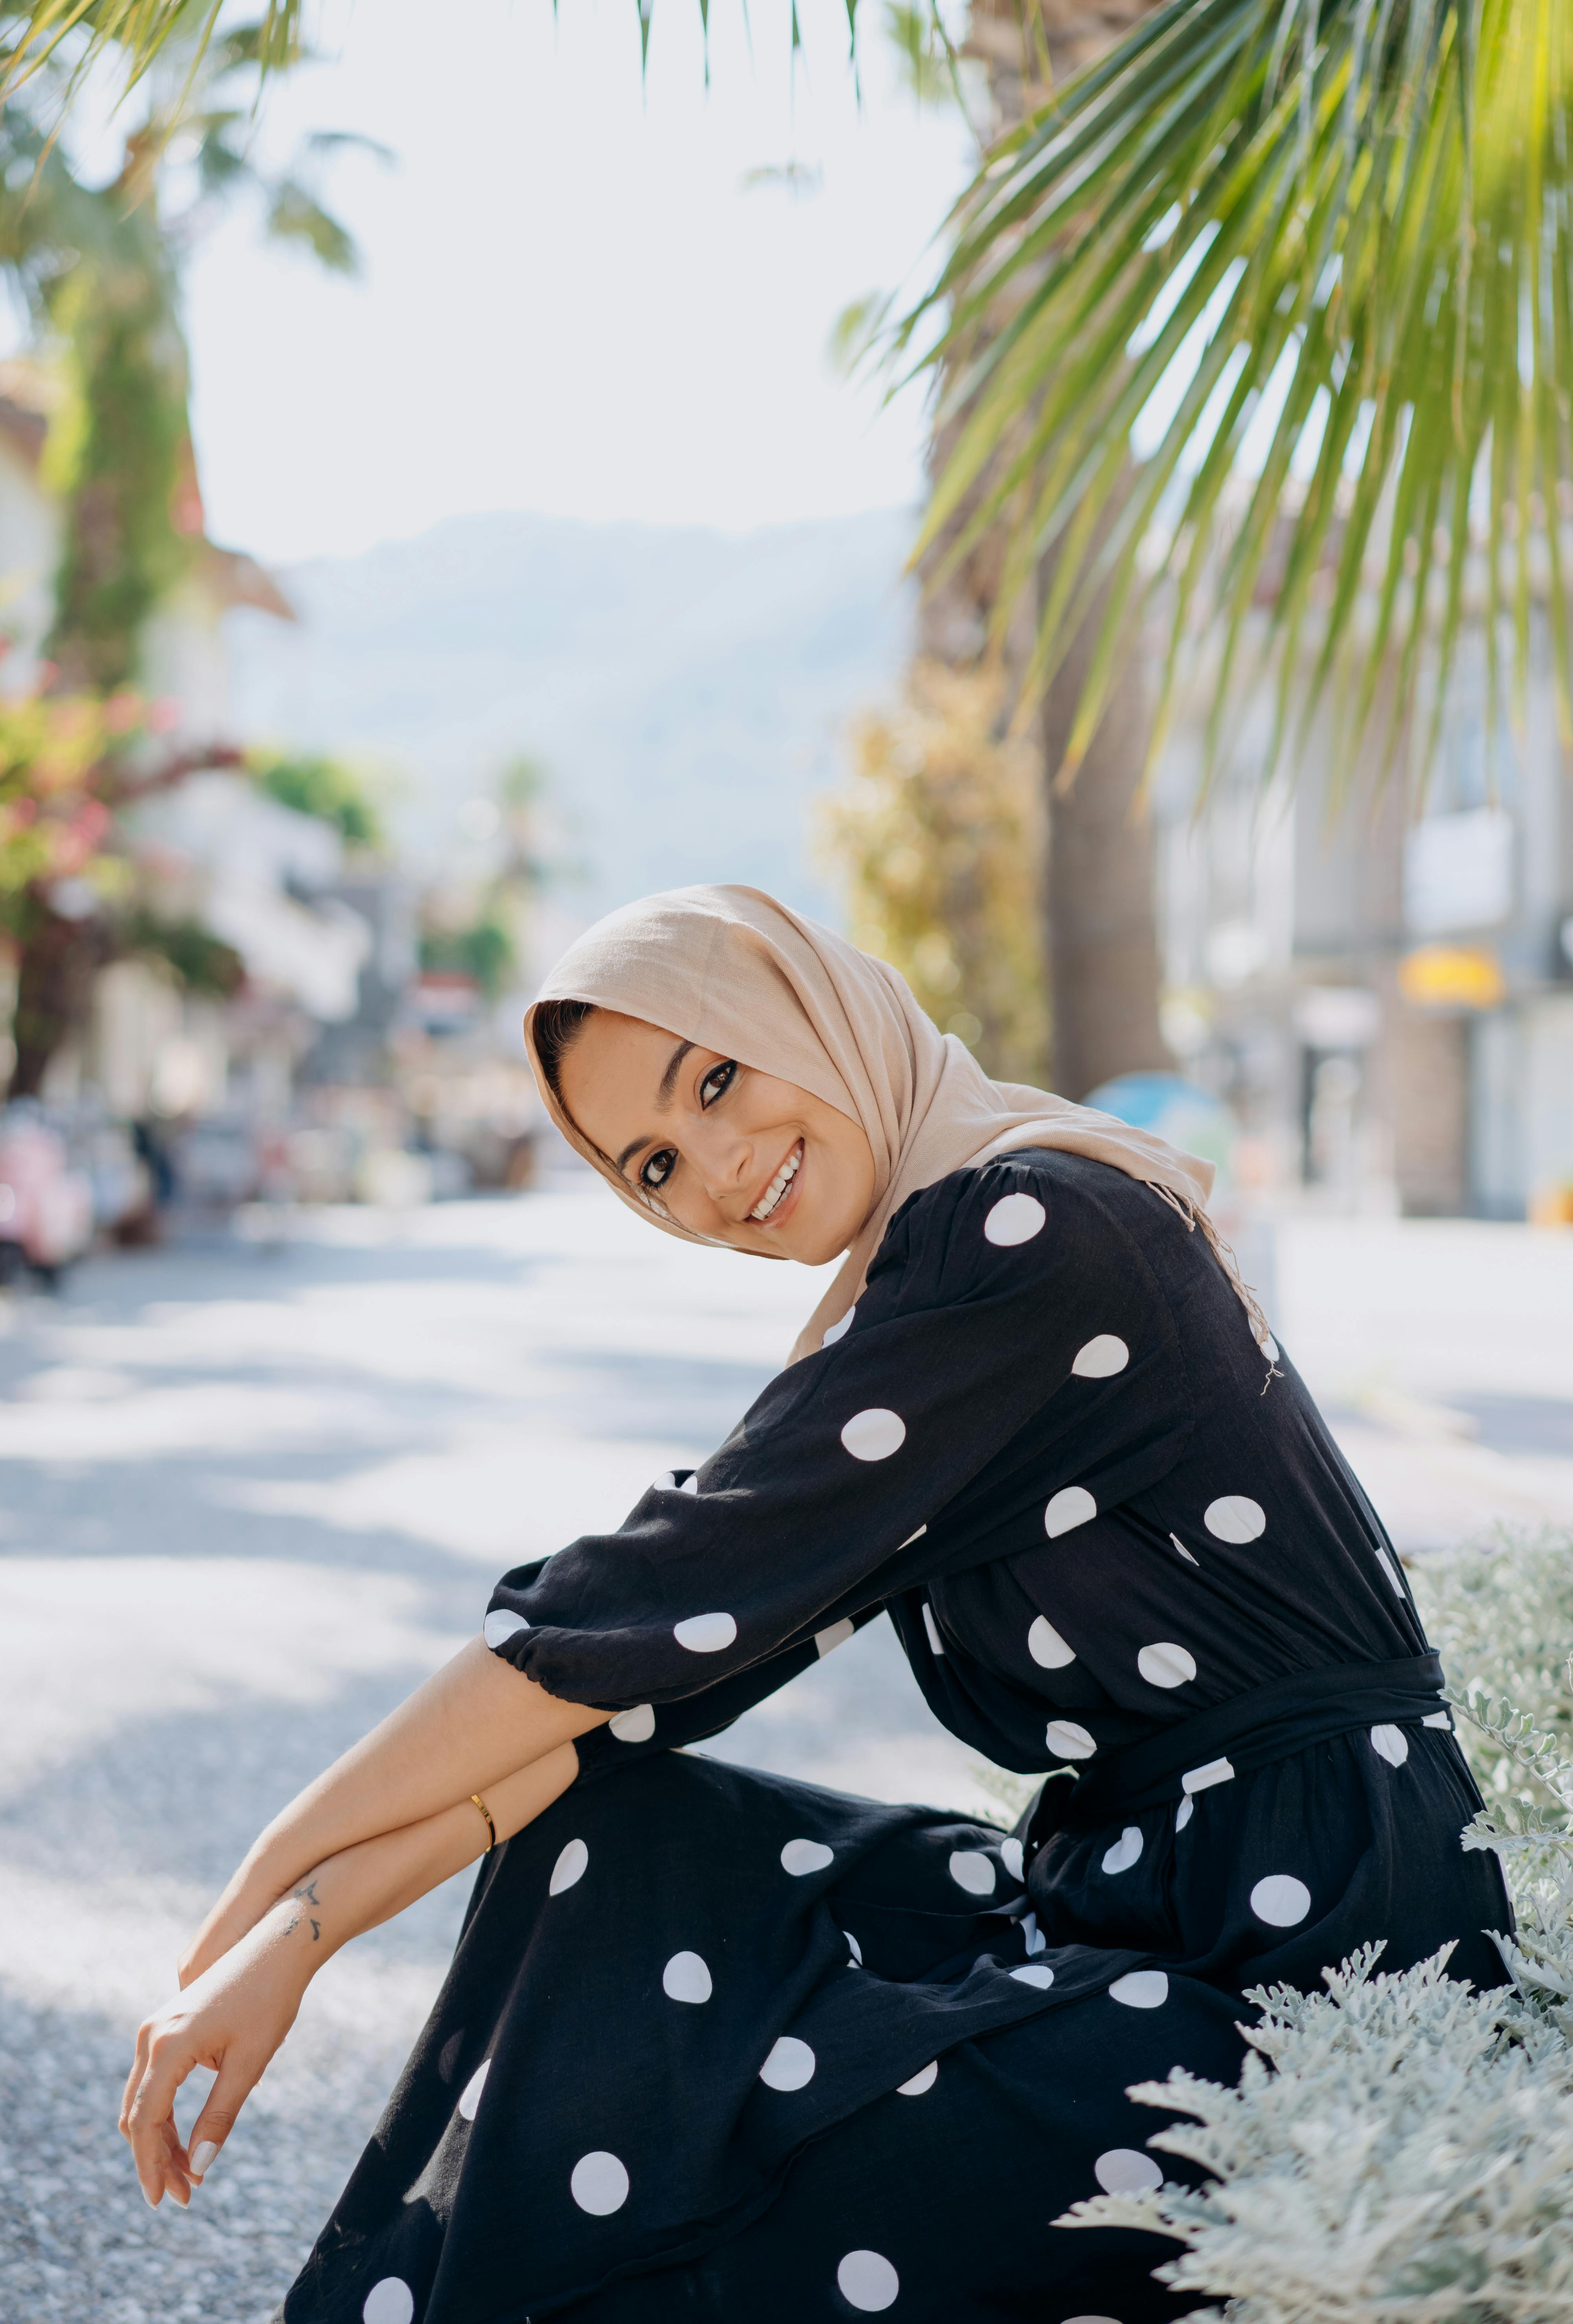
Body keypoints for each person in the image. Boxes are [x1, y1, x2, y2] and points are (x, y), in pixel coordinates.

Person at [121, 886, 1510, 2324]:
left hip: (1324, 1962)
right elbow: (631, 1688)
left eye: (716, 1077)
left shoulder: (1033, 1228)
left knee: (721, 2212)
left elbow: (623, 1618)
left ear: (813, 1010)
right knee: (624, 1835)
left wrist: (254, 1903)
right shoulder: (925, 1285)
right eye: (655, 1164)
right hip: (1134, 1909)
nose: (716, 1171)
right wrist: (290, 1933)